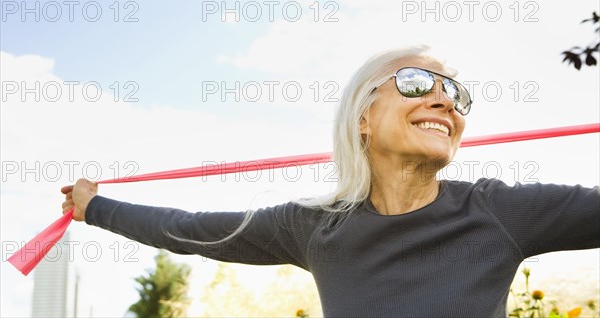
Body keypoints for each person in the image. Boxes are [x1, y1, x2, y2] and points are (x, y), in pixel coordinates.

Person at [61, 46, 600, 318]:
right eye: (417, 83)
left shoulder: (497, 212)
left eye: (456, 94)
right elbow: (189, 228)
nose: (444, 101)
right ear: (362, 116)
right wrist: (95, 206)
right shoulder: (312, 227)